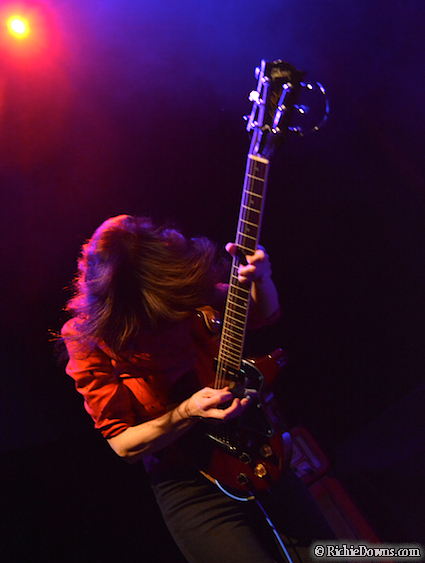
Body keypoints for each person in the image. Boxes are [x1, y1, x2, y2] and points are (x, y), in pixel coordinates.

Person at [61, 214, 335, 563]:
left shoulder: (180, 289)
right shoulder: (87, 337)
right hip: (192, 487)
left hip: (256, 452)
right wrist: (187, 411)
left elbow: (262, 313)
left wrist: (260, 277)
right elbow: (123, 445)